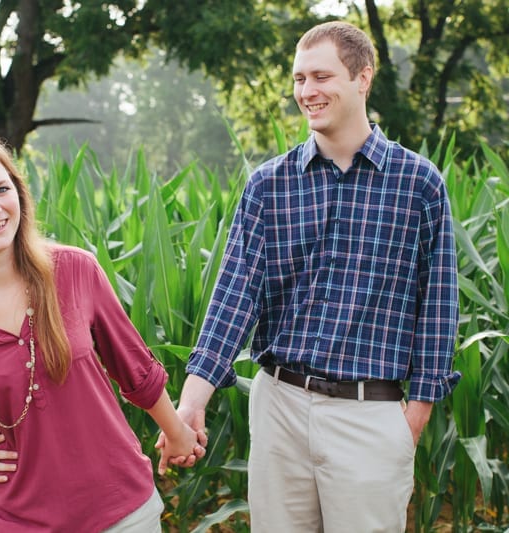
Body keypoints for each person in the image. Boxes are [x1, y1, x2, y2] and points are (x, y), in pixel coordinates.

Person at [160, 21, 460, 532]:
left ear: (363, 78)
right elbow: (235, 296)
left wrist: (417, 413)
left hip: (370, 413)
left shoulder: (418, 184)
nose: (306, 92)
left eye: (321, 76)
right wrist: (190, 404)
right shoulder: (268, 187)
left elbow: (437, 305)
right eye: (299, 79)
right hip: (279, 405)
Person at [0, 132, 204, 532]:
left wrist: (178, 434)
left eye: (2, 189)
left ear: (19, 193)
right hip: (23, 521)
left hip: (125, 512)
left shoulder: (75, 270)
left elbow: (136, 368)